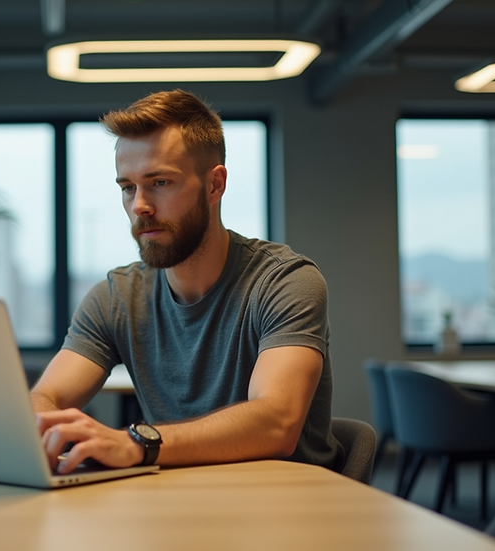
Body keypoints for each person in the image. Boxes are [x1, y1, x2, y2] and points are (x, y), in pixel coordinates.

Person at [31, 89, 343, 475]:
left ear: (214, 186)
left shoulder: (284, 282)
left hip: (284, 511)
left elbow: (276, 422)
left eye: (159, 182)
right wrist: (44, 428)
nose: (140, 205)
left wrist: (136, 444)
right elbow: (48, 395)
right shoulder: (117, 297)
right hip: (176, 503)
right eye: (127, 187)